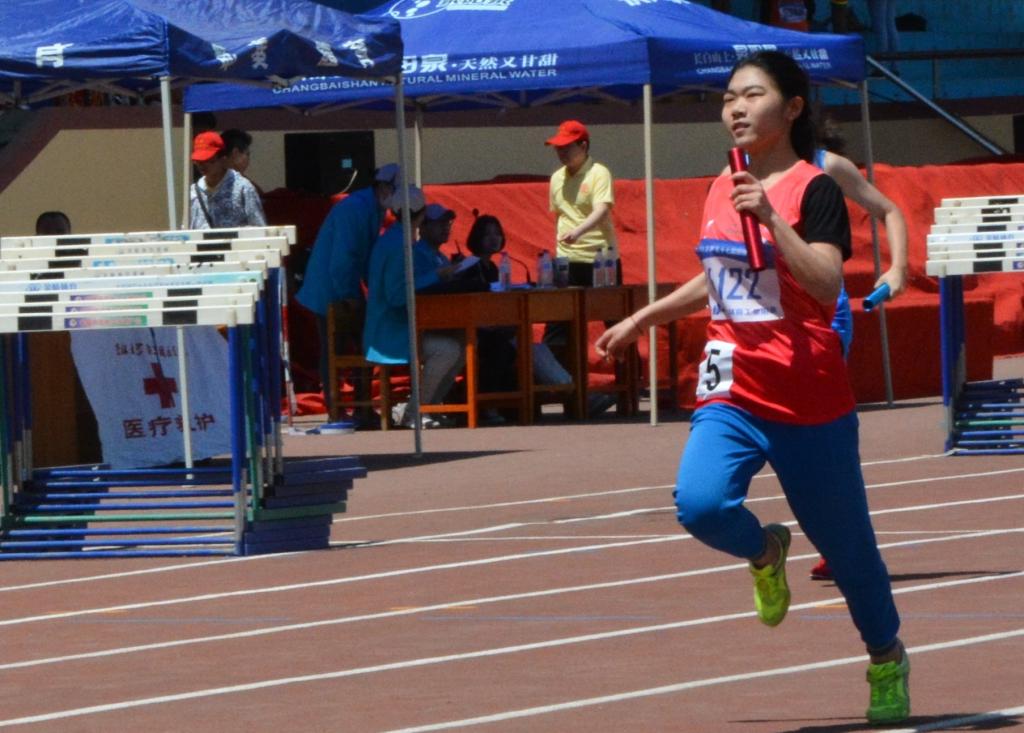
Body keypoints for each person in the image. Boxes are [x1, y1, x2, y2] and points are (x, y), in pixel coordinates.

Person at [595, 50, 909, 725]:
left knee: (849, 552)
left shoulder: (813, 188)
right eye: (728, 97)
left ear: (792, 108)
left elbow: (824, 284)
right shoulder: (721, 185)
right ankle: (766, 549)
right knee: (700, 504)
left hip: (806, 394)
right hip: (732, 385)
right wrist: (644, 317)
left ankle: (886, 656)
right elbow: (720, 277)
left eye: (752, 95)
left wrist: (771, 217)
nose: (735, 108)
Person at [809, 119, 909, 580]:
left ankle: (846, 543)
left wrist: (897, 268)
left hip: (825, 317)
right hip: (768, 318)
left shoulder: (828, 166)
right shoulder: (745, 169)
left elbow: (889, 210)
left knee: (823, 434)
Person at [296, 163, 400, 416]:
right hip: (330, 287)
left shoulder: (372, 207)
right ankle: (337, 408)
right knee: (334, 347)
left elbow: (363, 256)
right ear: (384, 187)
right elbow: (343, 259)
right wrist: (350, 296)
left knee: (355, 344)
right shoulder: (355, 209)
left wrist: (373, 290)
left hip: (342, 284)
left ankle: (359, 407)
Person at [364, 189, 465, 429]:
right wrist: (437, 275)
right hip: (391, 330)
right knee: (447, 350)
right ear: (421, 216)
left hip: (399, 325)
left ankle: (429, 406)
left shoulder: (397, 239)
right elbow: (397, 296)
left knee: (462, 344)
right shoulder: (399, 245)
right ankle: (414, 411)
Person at [546, 119, 619, 287]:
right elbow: (559, 215)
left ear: (583, 146)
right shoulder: (556, 178)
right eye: (558, 148)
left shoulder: (599, 173)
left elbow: (601, 210)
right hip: (566, 258)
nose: (561, 152)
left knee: (604, 303)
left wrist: (577, 232)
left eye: (567, 147)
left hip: (599, 258)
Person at [189, 131, 266, 230]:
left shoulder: (243, 188)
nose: (202, 166)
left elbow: (259, 228)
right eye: (198, 161)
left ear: (223, 159)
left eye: (209, 160)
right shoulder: (194, 192)